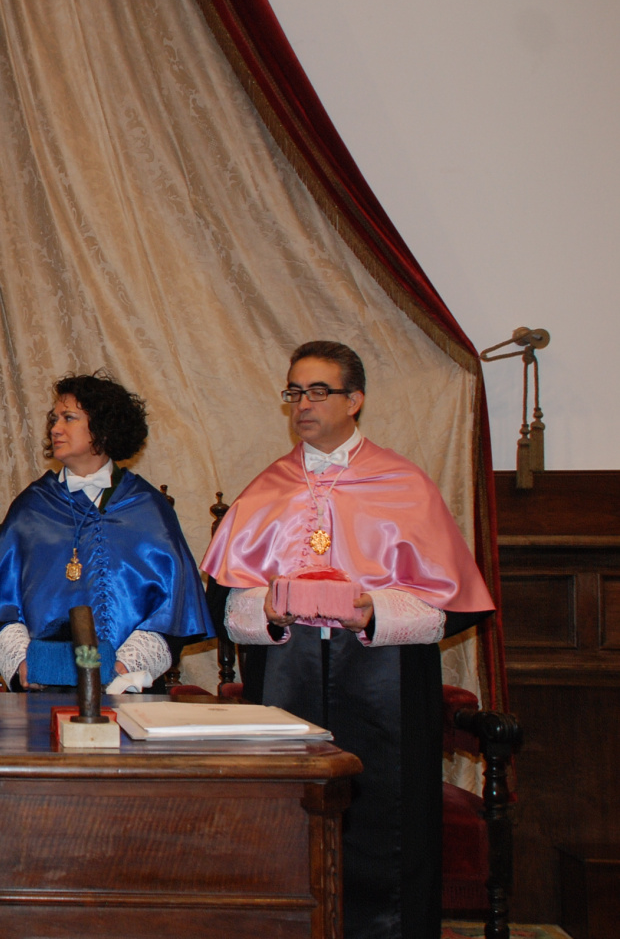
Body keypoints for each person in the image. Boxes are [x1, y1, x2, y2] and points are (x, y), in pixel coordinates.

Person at [201, 341, 494, 939]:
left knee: (388, 828)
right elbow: (224, 606)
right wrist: (270, 609)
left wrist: (374, 611)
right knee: (287, 825)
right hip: (287, 684)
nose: (302, 405)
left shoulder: (403, 484)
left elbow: (453, 604)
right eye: (294, 392)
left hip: (386, 684)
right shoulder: (267, 488)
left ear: (354, 399)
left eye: (317, 391)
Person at [0, 374, 212, 693]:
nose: (55, 428)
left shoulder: (148, 508)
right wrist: (25, 664)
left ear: (103, 427)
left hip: (129, 695)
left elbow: (175, 610)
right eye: (54, 419)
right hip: (42, 694)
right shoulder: (31, 507)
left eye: (69, 418)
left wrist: (123, 668)